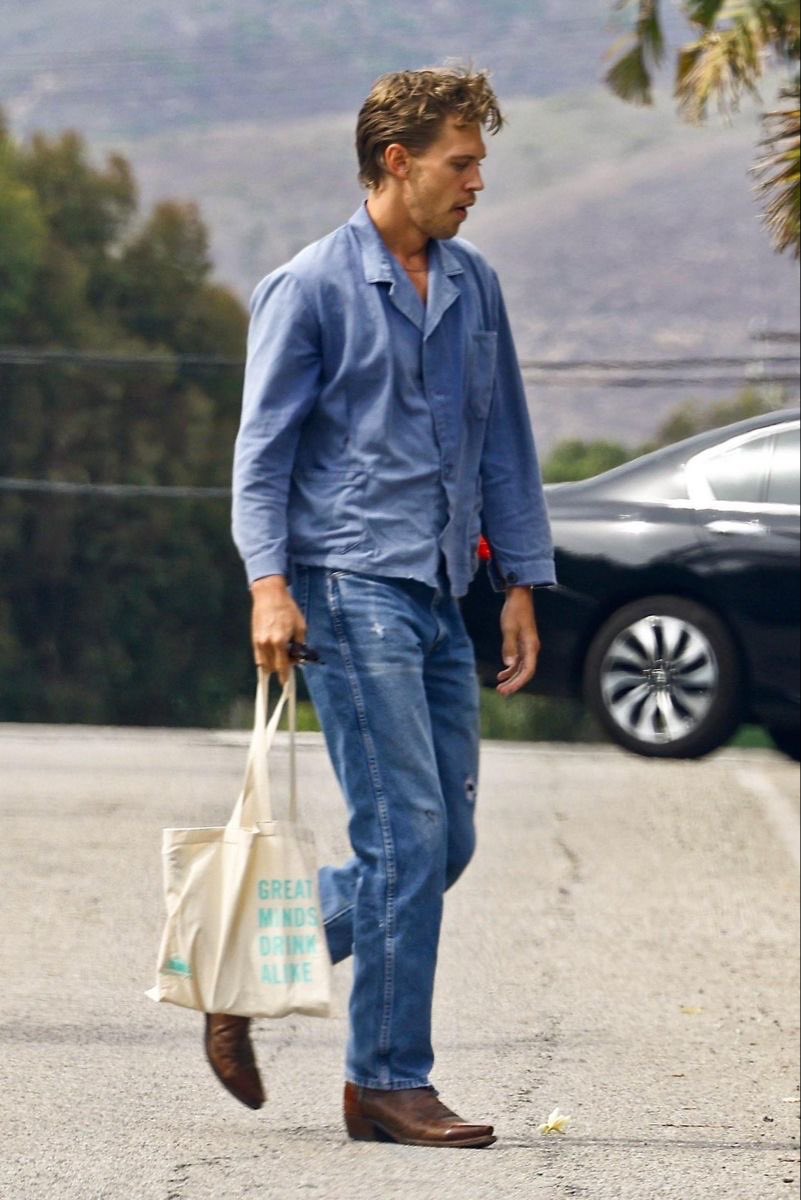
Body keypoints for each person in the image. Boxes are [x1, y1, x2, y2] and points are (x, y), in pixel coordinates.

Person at [214, 65, 555, 1148]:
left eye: (482, 163)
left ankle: (249, 973)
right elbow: (260, 459)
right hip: (345, 588)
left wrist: (517, 588)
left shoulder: (474, 286)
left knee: (441, 843)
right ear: (398, 162)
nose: (478, 182)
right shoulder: (307, 288)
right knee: (405, 834)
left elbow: (505, 442)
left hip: (446, 591)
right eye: (463, 162)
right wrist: (270, 587)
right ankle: (388, 1081)